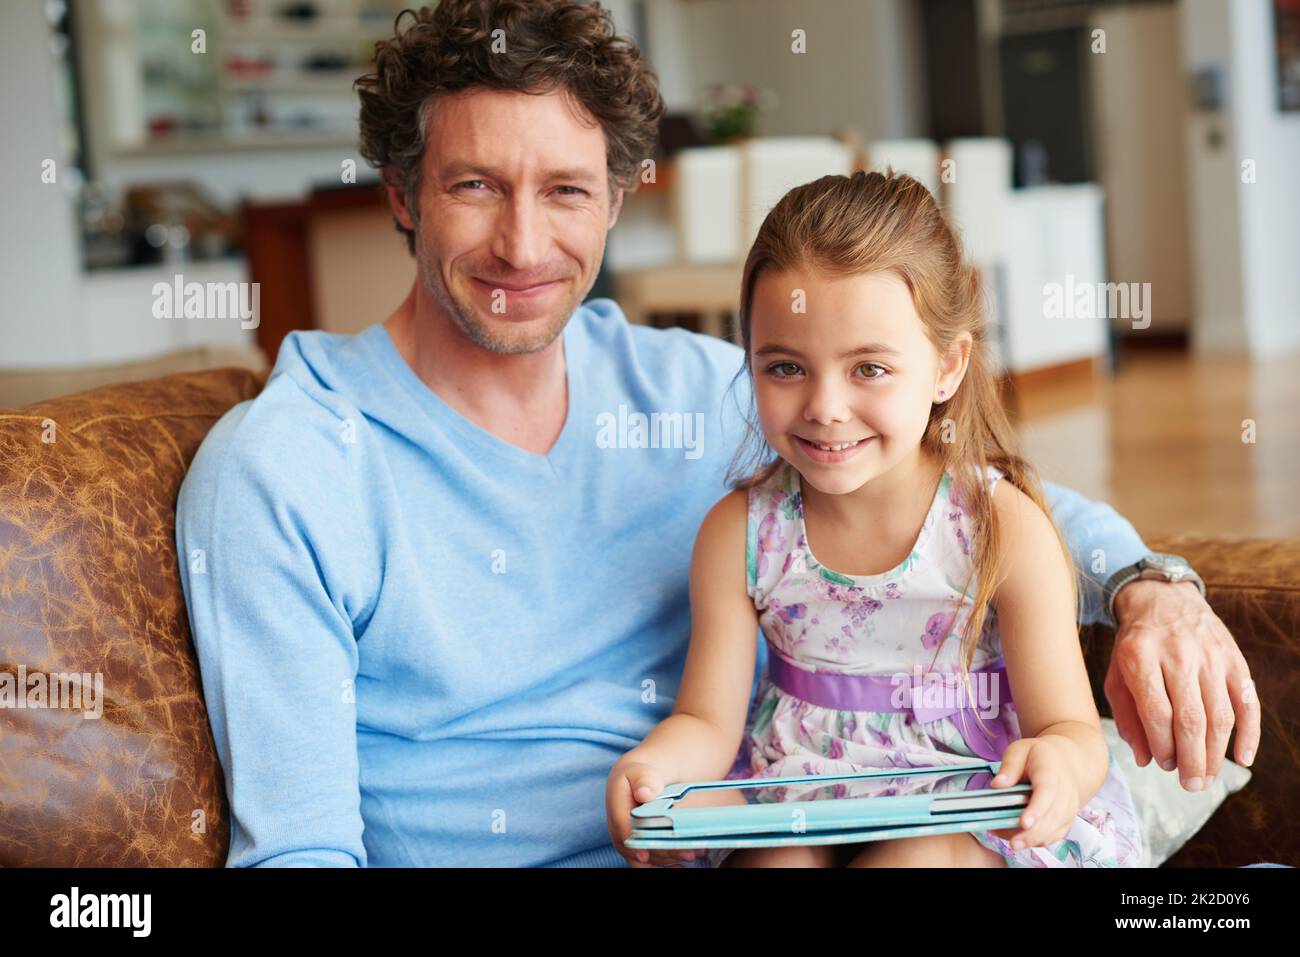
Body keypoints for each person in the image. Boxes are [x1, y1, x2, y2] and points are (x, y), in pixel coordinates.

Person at [175, 0, 1258, 868]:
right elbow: (299, 849)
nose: (522, 241)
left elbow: (959, 502)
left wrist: (1149, 588)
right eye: (473, 186)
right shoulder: (285, 472)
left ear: (614, 204)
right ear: (403, 194)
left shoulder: (703, 393)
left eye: (565, 190)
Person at [606, 170, 1145, 867]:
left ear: (947, 367)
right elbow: (706, 721)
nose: (825, 406)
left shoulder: (1000, 527)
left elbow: (1069, 726)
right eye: (785, 368)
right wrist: (652, 768)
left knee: (912, 858)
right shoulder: (738, 534)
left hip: (962, 801)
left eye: (868, 369)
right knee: (775, 863)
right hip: (799, 792)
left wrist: (1059, 764)